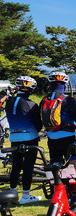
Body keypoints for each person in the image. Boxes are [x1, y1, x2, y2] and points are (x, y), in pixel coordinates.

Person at [40, 72, 76, 169]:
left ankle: (58, 183)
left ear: (51, 84)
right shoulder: (68, 99)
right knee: (73, 168)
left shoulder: (44, 100)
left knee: (56, 168)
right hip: (68, 138)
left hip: (52, 139)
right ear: (65, 85)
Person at [5, 76, 43, 204]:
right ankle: (25, 196)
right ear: (31, 90)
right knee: (28, 166)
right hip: (30, 138)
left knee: (16, 165)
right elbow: (38, 125)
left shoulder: (9, 102)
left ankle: (12, 193)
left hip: (14, 137)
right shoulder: (32, 104)